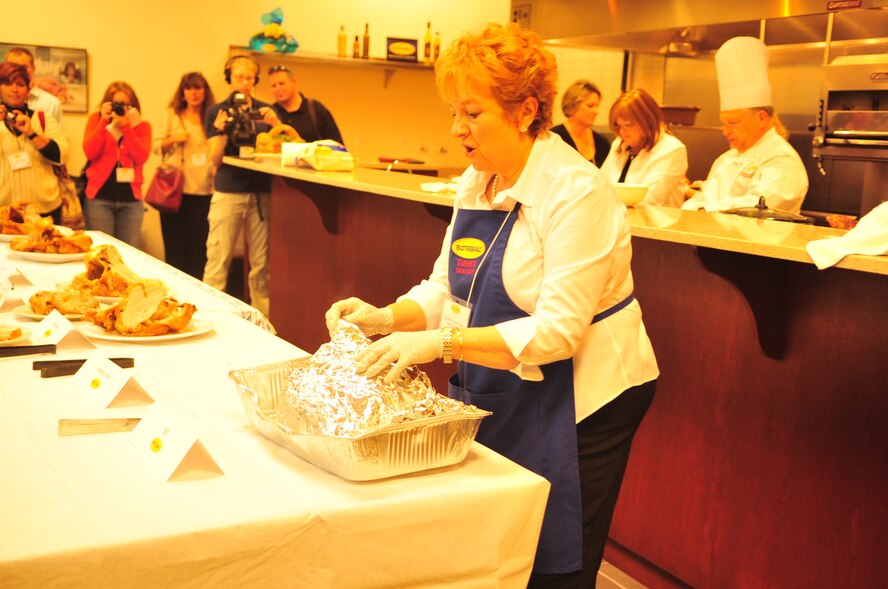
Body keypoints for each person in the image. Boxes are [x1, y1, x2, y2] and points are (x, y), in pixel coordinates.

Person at [325, 23, 659, 587]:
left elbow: (556, 334)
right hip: (509, 383)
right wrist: (387, 318)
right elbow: (446, 290)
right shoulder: (476, 181)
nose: (457, 129)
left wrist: (441, 344)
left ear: (526, 109)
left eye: (472, 113)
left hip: (587, 394)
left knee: (554, 555)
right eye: (452, 112)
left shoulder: (577, 192)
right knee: (497, 539)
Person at [682, 36, 808, 213]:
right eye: (723, 123)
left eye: (733, 122)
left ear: (761, 118)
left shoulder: (782, 159)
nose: (725, 131)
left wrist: (704, 210)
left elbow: (760, 207)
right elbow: (705, 197)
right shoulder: (726, 159)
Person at [203, 55, 278, 316]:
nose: (244, 83)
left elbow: (282, 150)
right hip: (229, 191)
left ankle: (265, 323)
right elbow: (214, 159)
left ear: (255, 80)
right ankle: (212, 318)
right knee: (218, 259)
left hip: (260, 192)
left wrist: (276, 125)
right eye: (238, 77)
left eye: (249, 78)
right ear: (229, 78)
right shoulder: (217, 111)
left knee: (261, 265)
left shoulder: (265, 111)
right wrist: (220, 130)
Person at [154, 72, 216, 278]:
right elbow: (156, 147)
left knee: (199, 250)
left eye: (198, 88)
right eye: (189, 88)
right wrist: (175, 138)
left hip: (205, 191)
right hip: (175, 192)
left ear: (205, 91)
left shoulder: (212, 115)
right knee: (175, 249)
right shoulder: (173, 114)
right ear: (182, 92)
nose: (194, 93)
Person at [82, 81, 151, 247]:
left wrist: (126, 128)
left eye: (126, 105)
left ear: (133, 107)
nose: (121, 109)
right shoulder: (96, 120)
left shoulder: (142, 127)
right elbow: (90, 152)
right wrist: (103, 122)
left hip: (131, 202)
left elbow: (141, 156)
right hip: (100, 199)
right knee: (100, 251)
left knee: (129, 253)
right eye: (117, 104)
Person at [0, 62, 69, 223]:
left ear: (28, 89)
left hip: (44, 208)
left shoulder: (43, 119)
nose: (14, 89)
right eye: (8, 83)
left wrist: (31, 133)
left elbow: (62, 156)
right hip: (4, 210)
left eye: (20, 84)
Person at [599, 88, 688, 207]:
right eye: (618, 125)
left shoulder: (672, 150)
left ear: (647, 121)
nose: (622, 132)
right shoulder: (620, 143)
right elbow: (600, 183)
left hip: (655, 223)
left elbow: (649, 199)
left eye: (628, 125)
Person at [267, 65, 344, 144]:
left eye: (281, 83)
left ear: (294, 82)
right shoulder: (271, 114)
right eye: (273, 86)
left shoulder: (315, 109)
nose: (277, 88)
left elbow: (337, 144)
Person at [550, 79, 610, 167]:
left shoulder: (602, 143)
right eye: (590, 106)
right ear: (573, 105)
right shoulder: (555, 137)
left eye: (597, 106)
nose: (596, 111)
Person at [4, 47, 63, 126]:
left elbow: (56, 137)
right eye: (13, 67)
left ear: (33, 68)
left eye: (24, 67)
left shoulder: (51, 103)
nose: (18, 72)